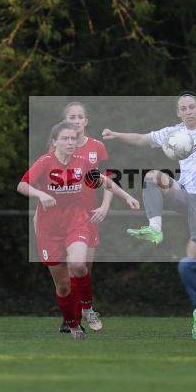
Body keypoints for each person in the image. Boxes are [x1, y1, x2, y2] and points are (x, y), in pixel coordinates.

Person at [102, 72, 196, 340]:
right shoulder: (173, 132)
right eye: (182, 108)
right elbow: (141, 139)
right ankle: (155, 228)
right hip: (184, 193)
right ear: (179, 113)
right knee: (152, 177)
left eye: (191, 106)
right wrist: (116, 134)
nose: (187, 111)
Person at [19, 121, 139, 340]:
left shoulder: (82, 163)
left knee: (78, 265)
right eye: (65, 139)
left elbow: (105, 182)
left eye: (73, 139)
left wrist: (128, 197)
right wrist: (41, 194)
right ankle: (73, 325)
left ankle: (87, 308)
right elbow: (22, 185)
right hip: (49, 229)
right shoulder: (45, 162)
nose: (70, 142)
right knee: (63, 286)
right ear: (54, 142)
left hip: (76, 222)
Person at [51, 102, 111, 333]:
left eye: (80, 117)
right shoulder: (58, 148)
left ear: (86, 121)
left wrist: (105, 206)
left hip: (89, 216)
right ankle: (70, 318)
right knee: (67, 267)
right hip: (62, 218)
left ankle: (83, 310)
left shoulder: (97, 147)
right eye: (71, 117)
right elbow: (47, 184)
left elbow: (108, 181)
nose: (76, 121)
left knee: (84, 267)